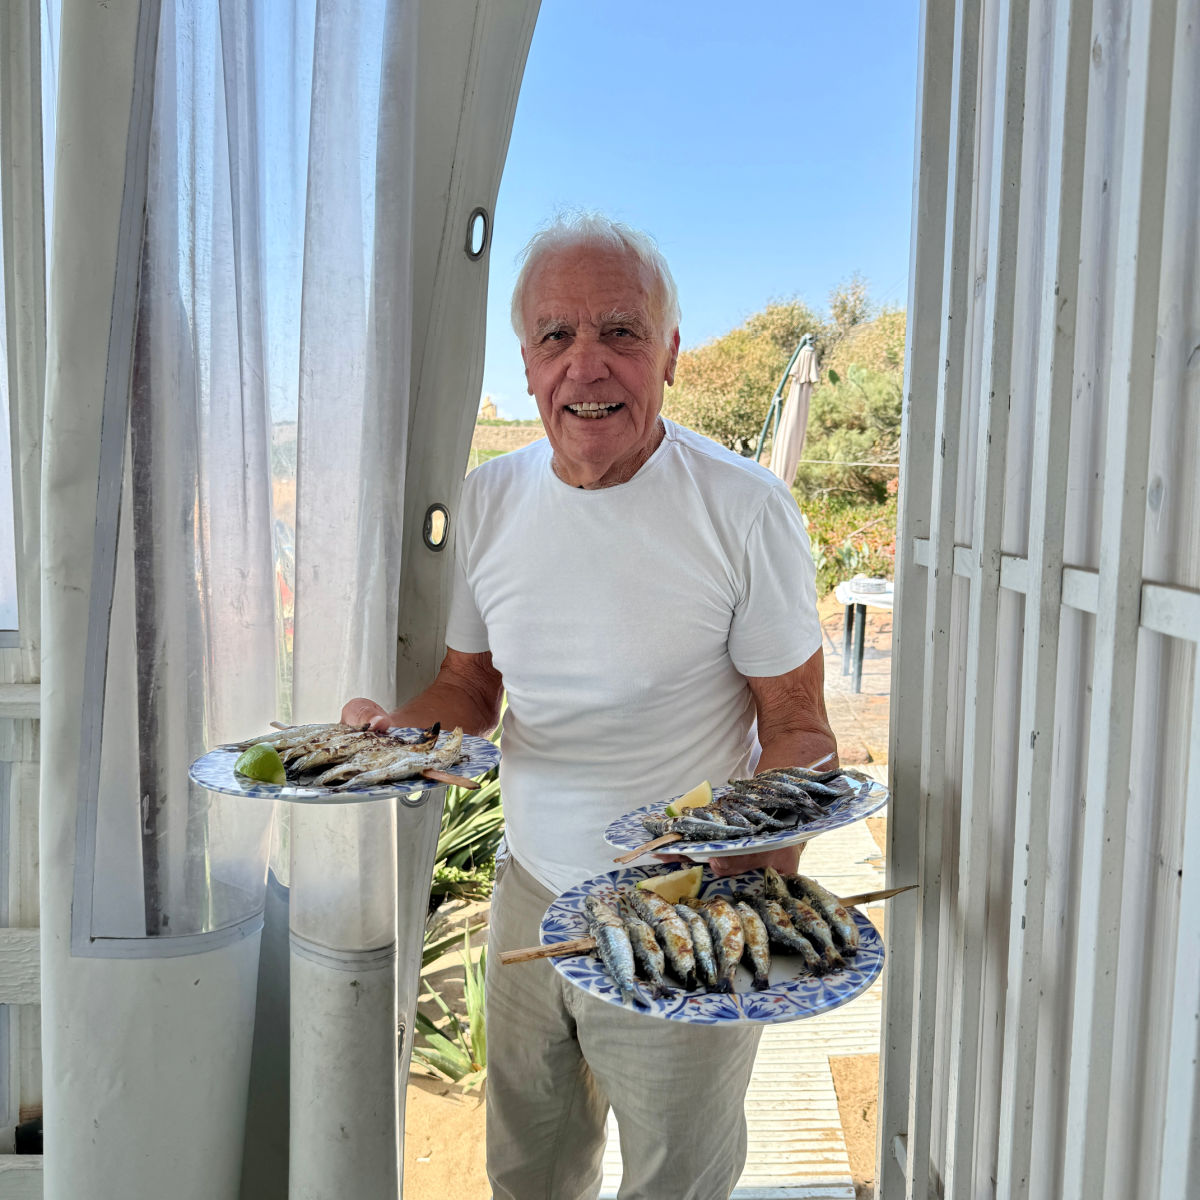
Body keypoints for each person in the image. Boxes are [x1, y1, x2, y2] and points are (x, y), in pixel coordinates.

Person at [342, 212, 836, 1200]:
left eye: (621, 331)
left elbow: (799, 728)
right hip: (531, 894)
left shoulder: (742, 511)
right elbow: (472, 688)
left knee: (674, 1180)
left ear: (670, 354)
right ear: (526, 364)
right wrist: (404, 734)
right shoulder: (488, 502)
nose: (588, 365)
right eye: (557, 336)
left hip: (683, 904)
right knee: (531, 1170)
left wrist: (757, 877)